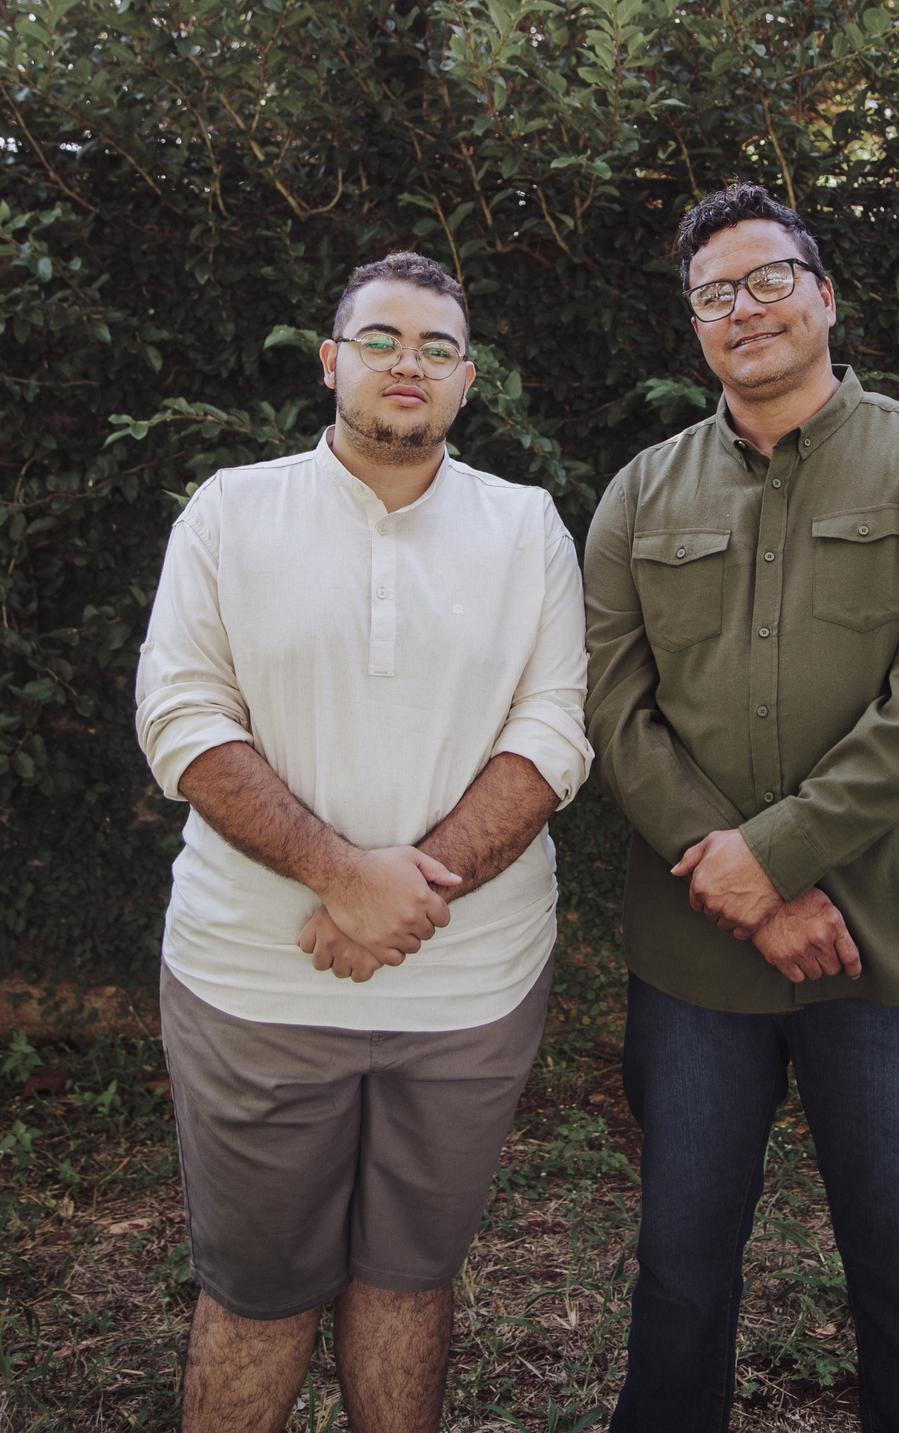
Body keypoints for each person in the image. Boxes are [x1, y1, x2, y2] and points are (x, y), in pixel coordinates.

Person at [584, 181, 899, 1433]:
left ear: (825, 297)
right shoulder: (638, 494)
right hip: (696, 956)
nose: (746, 307)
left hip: (887, 950)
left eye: (770, 278)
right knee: (678, 1284)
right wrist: (740, 884)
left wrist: (771, 857)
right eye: (714, 293)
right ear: (694, 326)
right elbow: (613, 711)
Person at [136, 250, 591, 1433]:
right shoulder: (231, 511)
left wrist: (403, 900)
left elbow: (552, 732)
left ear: (468, 381)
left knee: (409, 1281)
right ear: (331, 362)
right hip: (255, 983)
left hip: (469, 993)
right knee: (258, 1295)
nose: (409, 364)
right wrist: (341, 878)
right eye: (381, 339)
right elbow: (181, 716)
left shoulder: (525, 527)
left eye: (438, 348)